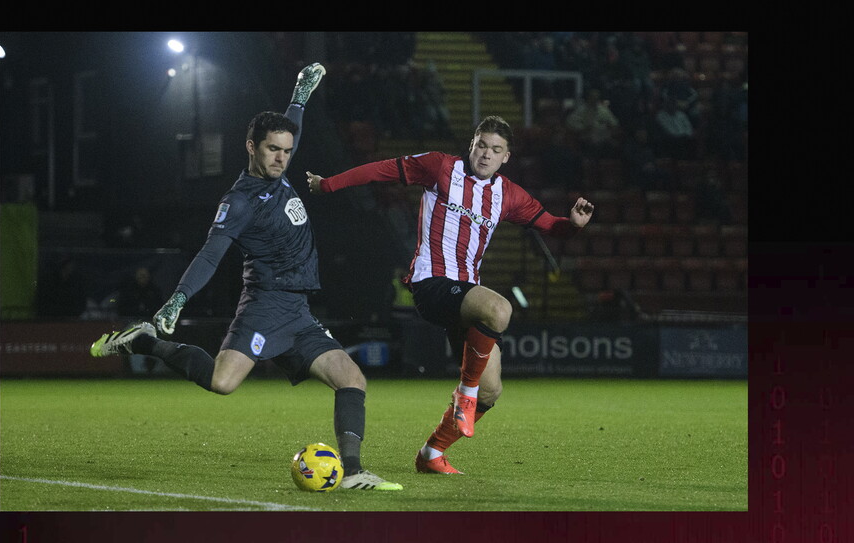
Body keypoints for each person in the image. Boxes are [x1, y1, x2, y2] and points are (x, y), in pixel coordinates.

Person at [89, 63, 402, 491]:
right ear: (251, 147)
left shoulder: (279, 171)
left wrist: (300, 94)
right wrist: (177, 300)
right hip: (265, 305)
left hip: (298, 309)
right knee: (222, 382)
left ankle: (353, 472)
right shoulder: (239, 202)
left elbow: (291, 128)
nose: (281, 157)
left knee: (351, 378)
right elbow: (210, 254)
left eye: (287, 151)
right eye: (273, 149)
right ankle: (145, 341)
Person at [306, 115, 594, 474]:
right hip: (431, 284)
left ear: (506, 157)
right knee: (499, 309)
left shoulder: (508, 194)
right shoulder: (441, 167)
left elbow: (550, 225)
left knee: (491, 392)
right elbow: (382, 170)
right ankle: (464, 395)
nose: (486, 154)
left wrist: (573, 226)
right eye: (482, 146)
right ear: (472, 144)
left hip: (464, 297)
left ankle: (431, 453)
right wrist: (328, 185)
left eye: (496, 150)